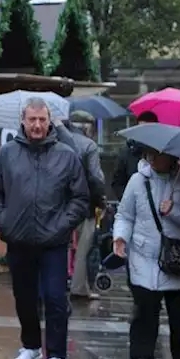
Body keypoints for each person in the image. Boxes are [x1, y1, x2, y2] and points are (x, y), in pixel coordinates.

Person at [0, 97, 88, 359]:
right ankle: (31, 346)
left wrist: (63, 226)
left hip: (53, 242)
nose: (38, 125)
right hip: (19, 240)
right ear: (23, 120)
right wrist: (4, 219)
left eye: (42, 120)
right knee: (24, 299)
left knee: (55, 299)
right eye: (33, 120)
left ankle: (56, 356)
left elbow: (80, 198)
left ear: (49, 121)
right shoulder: (6, 154)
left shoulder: (67, 155)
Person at [113, 149, 180, 359]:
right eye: (150, 154)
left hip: (178, 258)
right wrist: (120, 237)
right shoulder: (137, 181)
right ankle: (141, 358)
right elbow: (125, 215)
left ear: (173, 157)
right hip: (144, 257)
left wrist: (175, 210)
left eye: (159, 155)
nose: (153, 158)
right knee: (144, 312)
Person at [60, 111, 107, 300]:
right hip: (85, 204)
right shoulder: (89, 145)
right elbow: (96, 178)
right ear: (87, 127)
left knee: (60, 246)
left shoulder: (58, 142)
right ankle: (79, 287)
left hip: (60, 203)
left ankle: (57, 284)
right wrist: (101, 201)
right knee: (82, 249)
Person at [113, 111, 158, 199]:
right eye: (142, 129)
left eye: (148, 129)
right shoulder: (126, 152)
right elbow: (118, 183)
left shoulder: (162, 153)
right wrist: (128, 200)